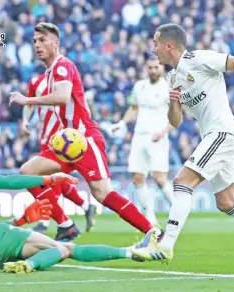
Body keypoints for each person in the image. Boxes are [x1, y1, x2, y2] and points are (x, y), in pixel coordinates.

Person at [132, 24, 234, 267]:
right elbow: (175, 122)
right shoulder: (173, 77)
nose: (152, 49)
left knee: (182, 181)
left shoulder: (199, 58)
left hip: (223, 132)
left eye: (155, 43)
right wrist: (173, 104)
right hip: (212, 135)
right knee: (227, 202)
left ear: (168, 46)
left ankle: (166, 246)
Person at [9, 22, 154, 237]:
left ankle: (152, 233)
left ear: (55, 43)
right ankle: (65, 224)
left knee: (102, 193)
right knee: (27, 172)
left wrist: (27, 99)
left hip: (85, 139)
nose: (37, 45)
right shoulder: (49, 74)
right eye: (34, 41)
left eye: (42, 40)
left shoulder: (62, 66)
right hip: (67, 143)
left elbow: (63, 96)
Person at [0, 144, 136, 273]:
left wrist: (18, 221)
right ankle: (29, 266)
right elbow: (7, 181)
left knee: (64, 248)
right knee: (60, 249)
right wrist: (50, 178)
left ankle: (131, 252)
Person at [112, 55, 173, 226]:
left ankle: (176, 210)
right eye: (150, 68)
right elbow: (134, 108)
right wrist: (122, 123)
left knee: (159, 178)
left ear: (162, 67)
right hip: (139, 136)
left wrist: (164, 131)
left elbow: (177, 115)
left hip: (158, 137)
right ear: (146, 68)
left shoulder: (169, 87)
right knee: (137, 177)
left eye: (156, 67)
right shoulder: (139, 86)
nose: (153, 71)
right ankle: (150, 217)